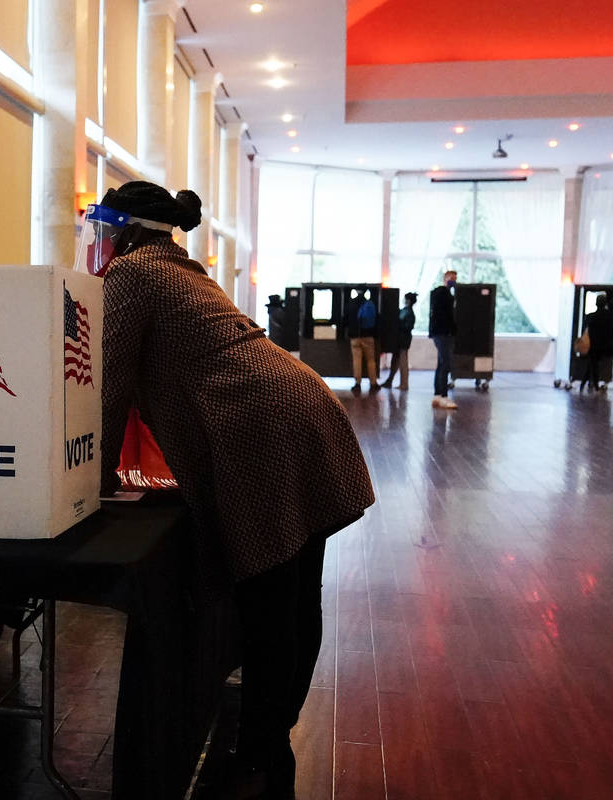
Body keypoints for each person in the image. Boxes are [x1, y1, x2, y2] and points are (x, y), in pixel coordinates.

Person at [92, 181, 375, 800]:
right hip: (299, 406)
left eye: (100, 227)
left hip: (262, 428)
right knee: (297, 588)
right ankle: (270, 734)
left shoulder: (133, 275)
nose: (96, 240)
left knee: (272, 596)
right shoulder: (181, 269)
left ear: (123, 229)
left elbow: (107, 387)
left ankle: (259, 749)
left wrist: (93, 478)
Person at [428, 270, 458, 409]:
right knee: (445, 363)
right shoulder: (443, 294)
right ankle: (444, 396)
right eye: (451, 278)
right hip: (443, 333)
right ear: (445, 279)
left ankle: (438, 395)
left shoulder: (438, 295)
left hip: (439, 333)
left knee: (441, 363)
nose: (453, 281)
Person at [579, 293, 613, 392]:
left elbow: (585, 330)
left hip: (592, 344)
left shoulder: (591, 316)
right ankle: (592, 384)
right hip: (605, 345)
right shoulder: (610, 316)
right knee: (594, 364)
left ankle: (591, 384)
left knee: (592, 364)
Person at [346, 289, 380, 393]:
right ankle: (373, 383)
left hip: (355, 337)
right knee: (371, 361)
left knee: (357, 360)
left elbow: (346, 319)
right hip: (368, 336)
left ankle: (357, 384)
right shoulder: (369, 303)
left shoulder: (351, 303)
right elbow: (377, 319)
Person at [381, 292, 416, 390]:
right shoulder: (407, 312)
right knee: (396, 361)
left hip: (403, 340)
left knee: (402, 362)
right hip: (401, 340)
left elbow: (407, 327)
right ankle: (390, 381)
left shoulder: (407, 313)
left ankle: (404, 384)